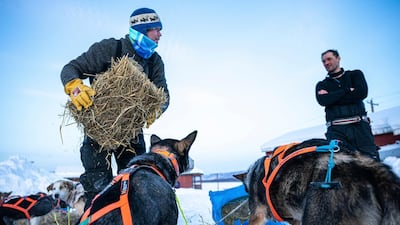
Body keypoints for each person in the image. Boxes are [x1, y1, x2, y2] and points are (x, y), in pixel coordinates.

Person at [60, 7, 169, 208]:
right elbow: (71, 68)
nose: (160, 34)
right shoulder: (111, 48)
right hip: (99, 132)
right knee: (99, 190)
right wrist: (75, 87)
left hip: (131, 135)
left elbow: (164, 96)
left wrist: (157, 109)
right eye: (156, 29)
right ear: (142, 29)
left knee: (136, 187)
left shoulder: (154, 62)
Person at [315, 49, 379, 161]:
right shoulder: (322, 84)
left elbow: (361, 93)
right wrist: (347, 90)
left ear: (338, 58)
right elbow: (323, 101)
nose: (326, 63)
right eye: (323, 61)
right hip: (336, 131)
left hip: (360, 127)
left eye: (329, 59)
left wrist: (332, 97)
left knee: (372, 165)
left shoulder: (355, 75)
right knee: (341, 168)